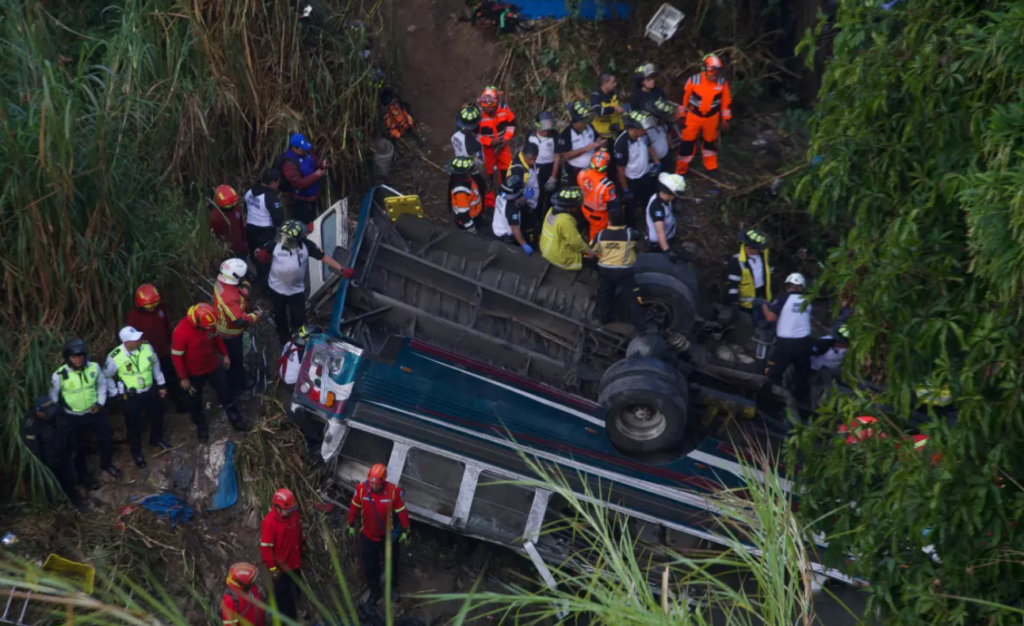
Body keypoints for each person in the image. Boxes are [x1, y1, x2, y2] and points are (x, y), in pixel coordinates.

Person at [263, 220, 352, 345]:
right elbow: (261, 252)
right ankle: (284, 343)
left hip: (296, 291)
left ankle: (297, 343)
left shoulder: (307, 246)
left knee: (299, 319)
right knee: (280, 317)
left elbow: (325, 258)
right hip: (276, 289)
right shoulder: (275, 244)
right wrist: (260, 253)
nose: (285, 241)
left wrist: (341, 269)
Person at [171, 303, 248, 442]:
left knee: (224, 391)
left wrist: (225, 354)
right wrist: (183, 378)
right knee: (195, 400)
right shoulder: (181, 332)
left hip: (212, 366)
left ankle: (234, 416)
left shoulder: (209, 323)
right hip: (194, 373)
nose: (209, 329)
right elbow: (176, 357)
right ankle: (201, 425)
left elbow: (216, 339)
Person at [50, 339, 120, 485]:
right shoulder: (59, 375)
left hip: (96, 412)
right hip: (74, 417)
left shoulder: (94, 367)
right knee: (78, 447)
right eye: (74, 356)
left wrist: (100, 404)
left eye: (81, 355)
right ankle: (84, 476)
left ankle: (106, 464)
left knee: (105, 439)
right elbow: (53, 399)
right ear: (67, 357)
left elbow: (101, 386)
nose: (78, 359)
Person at [103, 326, 169, 469]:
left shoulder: (146, 347)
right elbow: (106, 376)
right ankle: (136, 451)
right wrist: (115, 392)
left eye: (139, 338)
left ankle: (156, 439)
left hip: (150, 390)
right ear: (126, 343)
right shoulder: (115, 357)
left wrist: (161, 384)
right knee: (133, 424)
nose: (139, 340)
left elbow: (155, 365)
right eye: (135, 340)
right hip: (132, 395)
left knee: (157, 415)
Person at [347, 464, 411, 606]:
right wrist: (350, 524)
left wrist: (406, 530)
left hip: (388, 536)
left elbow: (401, 511)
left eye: (377, 484)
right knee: (370, 565)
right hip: (369, 536)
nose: (374, 486)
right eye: (372, 483)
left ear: (383, 482)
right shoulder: (362, 490)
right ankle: (374, 591)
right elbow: (354, 506)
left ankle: (392, 588)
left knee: (392, 562)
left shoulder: (393, 492)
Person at [22, 397, 86, 511]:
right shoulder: (31, 425)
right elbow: (34, 451)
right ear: (38, 411)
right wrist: (45, 466)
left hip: (64, 457)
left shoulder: (58, 415)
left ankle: (76, 503)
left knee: (69, 483)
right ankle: (53, 509)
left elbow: (69, 432)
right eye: (47, 413)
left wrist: (73, 448)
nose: (50, 415)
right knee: (49, 489)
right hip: (48, 464)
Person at [128, 284, 183, 412]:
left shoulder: (160, 308)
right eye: (149, 306)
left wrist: (171, 341)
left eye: (154, 305)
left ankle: (179, 401)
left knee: (170, 377)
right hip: (147, 357)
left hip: (163, 351)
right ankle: (157, 407)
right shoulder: (134, 317)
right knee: (152, 382)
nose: (152, 308)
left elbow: (166, 325)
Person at [677, 54, 732, 176]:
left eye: (716, 72)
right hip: (693, 116)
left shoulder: (722, 83)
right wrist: (681, 115)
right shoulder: (694, 80)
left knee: (710, 143)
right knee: (687, 143)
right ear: (706, 70)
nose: (714, 75)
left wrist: (726, 119)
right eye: (712, 72)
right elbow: (683, 99)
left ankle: (711, 167)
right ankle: (681, 170)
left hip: (712, 118)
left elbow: (725, 102)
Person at [214, 259, 260, 399]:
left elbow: (239, 285)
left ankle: (237, 383)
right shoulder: (228, 297)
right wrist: (256, 316)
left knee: (236, 362)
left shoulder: (222, 281)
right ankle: (237, 390)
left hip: (227, 331)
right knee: (235, 363)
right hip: (230, 335)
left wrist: (245, 288)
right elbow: (240, 320)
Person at [763, 273, 812, 404]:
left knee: (774, 374)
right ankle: (802, 406)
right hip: (804, 344)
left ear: (788, 285)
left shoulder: (783, 298)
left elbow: (771, 318)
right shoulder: (807, 300)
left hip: (785, 345)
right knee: (802, 376)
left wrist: (763, 306)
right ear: (802, 287)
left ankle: (773, 404)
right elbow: (794, 317)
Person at [590, 211, 645, 328]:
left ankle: (603, 320)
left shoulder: (600, 235)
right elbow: (639, 240)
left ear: (609, 221)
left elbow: (591, 251)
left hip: (605, 271)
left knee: (605, 296)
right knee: (633, 296)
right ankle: (640, 324)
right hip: (624, 272)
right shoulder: (630, 234)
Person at [260, 488, 307, 622]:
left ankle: (296, 612)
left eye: (292, 510)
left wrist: (302, 545)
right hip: (281, 568)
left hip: (295, 562)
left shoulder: (293, 515)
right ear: (277, 508)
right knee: (283, 596)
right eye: (288, 510)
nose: (291, 512)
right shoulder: (270, 523)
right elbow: (266, 549)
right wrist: (273, 569)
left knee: (296, 590)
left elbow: (298, 533)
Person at [613, 110, 659, 229]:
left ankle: (650, 224)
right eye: (642, 129)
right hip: (631, 180)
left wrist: (657, 162)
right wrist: (625, 189)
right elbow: (620, 170)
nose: (645, 131)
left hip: (645, 176)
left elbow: (650, 147)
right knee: (630, 209)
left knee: (648, 201)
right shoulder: (622, 143)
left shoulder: (642, 136)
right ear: (634, 129)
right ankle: (631, 230)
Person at [244, 169, 284, 288]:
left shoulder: (249, 191)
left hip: (250, 231)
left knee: (255, 257)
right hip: (264, 234)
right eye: (278, 183)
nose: (278, 185)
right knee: (265, 260)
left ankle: (259, 279)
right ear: (272, 183)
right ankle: (267, 287)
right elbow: (278, 221)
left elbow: (246, 209)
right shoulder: (271, 197)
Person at [275, 133, 328, 225]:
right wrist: (315, 176)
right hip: (300, 200)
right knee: (305, 225)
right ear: (294, 148)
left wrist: (321, 164)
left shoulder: (305, 152)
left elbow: (314, 160)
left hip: (313, 197)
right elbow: (298, 183)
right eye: (302, 148)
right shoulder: (289, 164)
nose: (305, 150)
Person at [477, 86, 516, 208]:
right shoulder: (478, 114)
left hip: (503, 146)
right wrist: (489, 141)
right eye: (485, 108)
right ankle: (489, 203)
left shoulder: (504, 109)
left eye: (490, 108)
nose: (488, 110)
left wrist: (506, 139)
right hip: (487, 149)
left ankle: (505, 194)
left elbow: (511, 124)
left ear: (496, 104)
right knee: (488, 174)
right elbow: (475, 135)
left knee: (506, 169)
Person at [540, 187, 591, 271]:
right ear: (570, 208)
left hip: (545, 248)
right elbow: (575, 242)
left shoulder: (551, 210)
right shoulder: (565, 221)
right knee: (590, 259)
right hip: (558, 257)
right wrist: (588, 250)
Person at [728, 229, 772, 323]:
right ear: (748, 248)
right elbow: (733, 285)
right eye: (756, 248)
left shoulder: (763, 256)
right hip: (747, 305)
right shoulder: (737, 261)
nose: (759, 250)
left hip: (763, 297)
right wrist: (734, 303)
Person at [556, 101, 604, 186]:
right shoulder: (566, 134)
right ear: (576, 121)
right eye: (583, 121)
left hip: (592, 169)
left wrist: (599, 142)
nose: (585, 123)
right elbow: (566, 155)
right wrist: (586, 149)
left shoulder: (590, 127)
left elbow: (598, 137)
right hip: (575, 170)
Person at [577, 149, 620, 242]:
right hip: (598, 216)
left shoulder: (583, 172)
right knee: (597, 238)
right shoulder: (607, 185)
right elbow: (612, 205)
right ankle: (594, 254)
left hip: (584, 208)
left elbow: (580, 186)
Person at [645, 172, 687, 257]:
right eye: (675, 195)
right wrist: (667, 250)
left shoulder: (665, 200)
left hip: (668, 236)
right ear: (668, 193)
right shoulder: (657, 207)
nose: (675, 197)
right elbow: (660, 231)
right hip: (659, 244)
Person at [492, 176, 533, 255]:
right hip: (505, 237)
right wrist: (524, 245)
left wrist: (524, 198)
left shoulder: (500, 195)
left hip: (496, 228)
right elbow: (515, 229)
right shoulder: (512, 208)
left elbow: (514, 202)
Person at [507, 143, 540, 242]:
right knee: (527, 227)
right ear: (524, 155)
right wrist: (527, 204)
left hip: (531, 201)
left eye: (535, 159)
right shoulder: (518, 170)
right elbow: (516, 195)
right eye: (530, 159)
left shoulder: (525, 161)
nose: (533, 162)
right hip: (524, 205)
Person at [529, 111, 559, 213]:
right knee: (538, 194)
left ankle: (550, 215)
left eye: (548, 129)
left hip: (550, 167)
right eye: (544, 129)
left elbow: (557, 157)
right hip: (536, 167)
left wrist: (553, 176)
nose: (546, 132)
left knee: (552, 195)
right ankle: (536, 218)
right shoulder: (530, 135)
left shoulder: (554, 136)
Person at [209, 185, 249, 258]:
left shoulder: (215, 216)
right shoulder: (215, 217)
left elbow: (241, 226)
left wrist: (244, 242)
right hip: (227, 251)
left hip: (235, 248)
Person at [447, 156, 484, 233]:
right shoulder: (461, 192)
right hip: (468, 221)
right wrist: (471, 228)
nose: (471, 172)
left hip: (475, 214)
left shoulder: (465, 179)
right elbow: (463, 215)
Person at [645, 97, 682, 174]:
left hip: (665, 157)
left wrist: (670, 149)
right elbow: (649, 146)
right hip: (653, 161)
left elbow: (668, 134)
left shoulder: (664, 125)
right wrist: (656, 162)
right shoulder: (647, 129)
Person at [590, 72, 625, 139]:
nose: (615, 84)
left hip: (617, 131)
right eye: (613, 82)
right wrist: (613, 108)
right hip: (602, 136)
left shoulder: (614, 93)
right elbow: (597, 111)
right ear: (604, 83)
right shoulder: (595, 96)